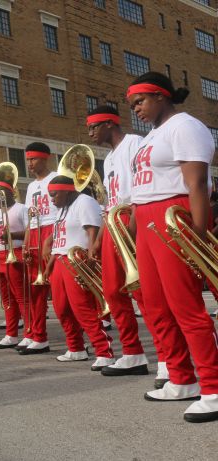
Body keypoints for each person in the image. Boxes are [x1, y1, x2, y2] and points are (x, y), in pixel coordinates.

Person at [126, 72, 218, 423]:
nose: (136, 110)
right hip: (148, 223)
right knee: (155, 306)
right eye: (133, 104)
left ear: (161, 96)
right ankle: (181, 379)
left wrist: (196, 234)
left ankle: (213, 386)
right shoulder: (152, 136)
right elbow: (141, 191)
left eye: (140, 102)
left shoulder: (186, 126)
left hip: (173, 217)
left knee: (187, 307)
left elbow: (196, 184)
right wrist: (135, 236)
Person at [85, 105, 158, 378]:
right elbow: (109, 204)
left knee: (143, 293)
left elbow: (141, 189)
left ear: (109, 124)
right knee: (113, 292)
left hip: (131, 223)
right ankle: (133, 353)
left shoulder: (134, 143)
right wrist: (98, 241)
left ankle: (165, 357)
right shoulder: (108, 158)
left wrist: (133, 227)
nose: (90, 133)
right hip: (113, 227)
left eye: (93, 127)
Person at [44, 176, 114, 370]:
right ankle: (76, 348)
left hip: (77, 258)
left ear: (67, 190)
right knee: (61, 308)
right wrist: (50, 263)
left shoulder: (85, 202)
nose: (51, 199)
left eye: (54, 194)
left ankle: (104, 352)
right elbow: (59, 239)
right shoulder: (61, 209)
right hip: (60, 259)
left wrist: (92, 255)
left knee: (82, 308)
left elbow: (93, 230)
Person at [21, 142, 57, 354]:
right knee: (35, 290)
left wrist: (51, 239)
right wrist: (26, 242)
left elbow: (62, 213)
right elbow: (30, 218)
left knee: (61, 289)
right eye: (28, 160)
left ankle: (79, 338)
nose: (30, 164)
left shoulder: (56, 179)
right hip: (34, 234)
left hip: (51, 231)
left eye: (33, 159)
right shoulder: (31, 187)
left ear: (45, 158)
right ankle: (38, 335)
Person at [0, 181, 29, 350]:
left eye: (1, 191)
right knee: (6, 298)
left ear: (11, 192)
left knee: (21, 296)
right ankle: (11, 334)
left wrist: (12, 234)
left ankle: (29, 333)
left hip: (14, 253)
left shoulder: (21, 208)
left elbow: (31, 230)